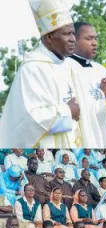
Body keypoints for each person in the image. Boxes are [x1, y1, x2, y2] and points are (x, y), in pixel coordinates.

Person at [0, 0, 84, 147]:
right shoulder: (32, 68)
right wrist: (67, 111)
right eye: (66, 34)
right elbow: (28, 118)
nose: (72, 39)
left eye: (73, 33)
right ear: (49, 38)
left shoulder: (69, 66)